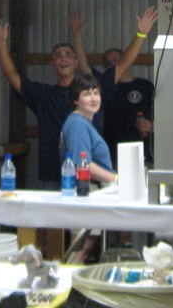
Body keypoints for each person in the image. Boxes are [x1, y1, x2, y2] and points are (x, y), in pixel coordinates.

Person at [0, 18, 79, 190]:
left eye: (68, 55)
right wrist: (1, 44)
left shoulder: (88, 94)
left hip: (84, 172)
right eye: (58, 55)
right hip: (52, 175)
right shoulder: (43, 94)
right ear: (52, 64)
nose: (63, 58)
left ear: (76, 63)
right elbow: (12, 75)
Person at [69, 7, 158, 165]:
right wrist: (77, 36)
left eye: (116, 59)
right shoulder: (104, 83)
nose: (111, 63)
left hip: (144, 154)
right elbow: (83, 67)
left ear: (126, 59)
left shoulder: (145, 85)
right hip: (113, 154)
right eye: (107, 62)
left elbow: (164, 116)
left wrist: (152, 126)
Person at [60, 74, 116, 264]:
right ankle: (69, 291)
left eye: (96, 93)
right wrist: (115, 179)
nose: (93, 98)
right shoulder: (77, 124)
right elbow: (82, 164)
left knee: (84, 250)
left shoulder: (86, 123)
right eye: (86, 94)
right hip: (85, 191)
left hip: (92, 191)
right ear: (76, 100)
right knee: (78, 253)